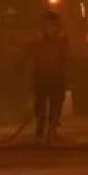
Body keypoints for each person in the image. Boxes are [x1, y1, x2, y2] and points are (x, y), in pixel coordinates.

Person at [29, 11, 69, 142]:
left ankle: (51, 129)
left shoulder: (60, 39)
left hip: (55, 77)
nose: (49, 26)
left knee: (55, 103)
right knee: (41, 104)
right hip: (42, 77)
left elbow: (64, 58)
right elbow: (34, 58)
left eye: (51, 23)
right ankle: (41, 129)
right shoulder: (39, 40)